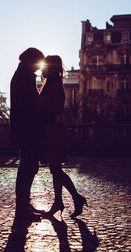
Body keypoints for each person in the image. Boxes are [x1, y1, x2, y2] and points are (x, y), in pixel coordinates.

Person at [37, 55, 88, 218]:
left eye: (45, 65)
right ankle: (60, 201)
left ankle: (75, 198)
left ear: (50, 68)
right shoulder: (53, 84)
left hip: (53, 132)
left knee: (56, 170)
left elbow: (53, 112)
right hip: (52, 131)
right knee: (56, 169)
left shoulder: (54, 86)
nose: (42, 68)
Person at [10, 47, 44, 222]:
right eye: (38, 62)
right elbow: (32, 103)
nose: (39, 66)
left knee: (27, 167)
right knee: (28, 167)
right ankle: (23, 208)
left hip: (23, 127)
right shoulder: (26, 76)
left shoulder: (20, 74)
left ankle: (24, 205)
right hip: (28, 128)